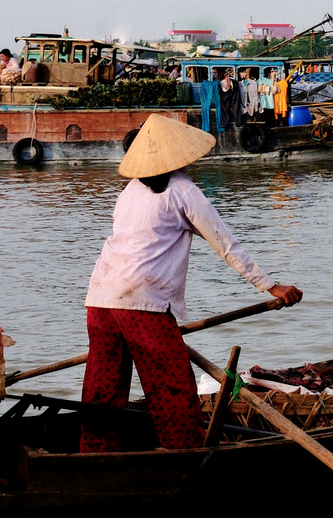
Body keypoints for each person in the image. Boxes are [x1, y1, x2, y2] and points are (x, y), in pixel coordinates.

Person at [79, 114, 302, 453]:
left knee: (103, 388)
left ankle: (93, 454)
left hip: (101, 300)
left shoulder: (131, 190)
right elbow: (224, 243)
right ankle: (184, 454)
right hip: (143, 304)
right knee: (172, 387)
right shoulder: (183, 190)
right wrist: (270, 286)